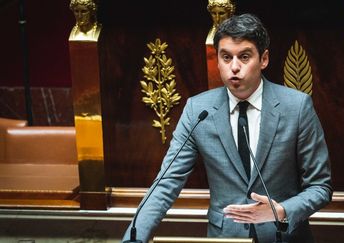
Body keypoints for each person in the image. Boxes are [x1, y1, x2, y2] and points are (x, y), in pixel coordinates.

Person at [123, 13, 332, 243]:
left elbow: (320, 187)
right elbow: (166, 183)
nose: (234, 67)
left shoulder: (297, 107)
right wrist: (134, 238)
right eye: (226, 57)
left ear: (263, 59)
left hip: (283, 236)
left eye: (244, 57)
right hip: (225, 237)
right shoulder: (198, 110)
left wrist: (281, 210)